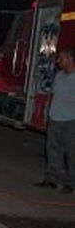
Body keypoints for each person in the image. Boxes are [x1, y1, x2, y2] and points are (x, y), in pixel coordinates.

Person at [35, 46, 75, 193]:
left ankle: (71, 183)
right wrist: (48, 112)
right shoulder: (59, 76)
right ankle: (51, 179)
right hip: (54, 118)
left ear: (70, 58)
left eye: (61, 58)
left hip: (71, 121)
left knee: (71, 153)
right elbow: (53, 95)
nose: (58, 61)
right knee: (52, 150)